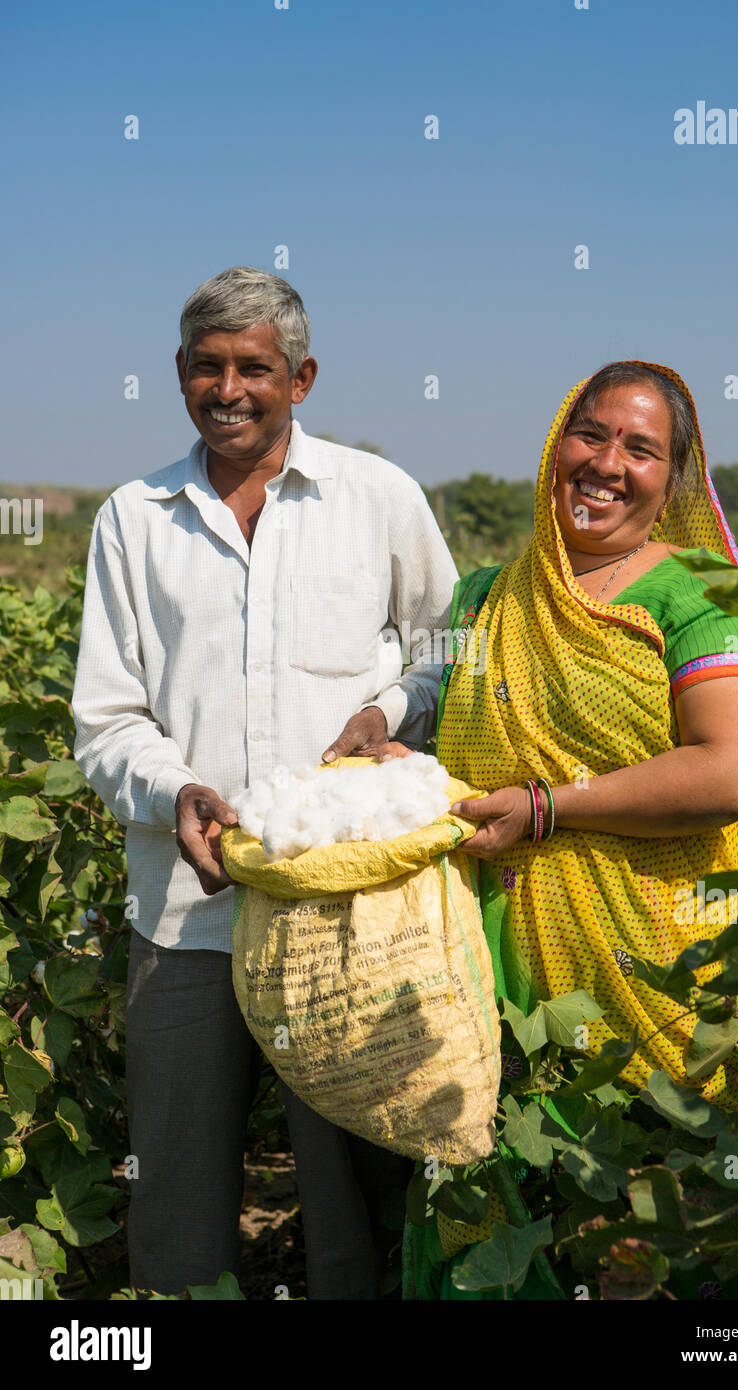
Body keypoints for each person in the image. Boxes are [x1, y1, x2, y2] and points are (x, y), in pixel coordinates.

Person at [71, 265, 458, 1299]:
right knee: (179, 1201)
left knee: (350, 1199)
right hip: (186, 913)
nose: (228, 388)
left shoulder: (375, 497)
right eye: (207, 366)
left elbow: (447, 648)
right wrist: (175, 792)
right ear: (179, 375)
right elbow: (105, 718)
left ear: (302, 377)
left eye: (254, 367)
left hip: (348, 917)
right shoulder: (133, 518)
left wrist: (390, 713)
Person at [402, 360, 738, 1299]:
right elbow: (429, 702)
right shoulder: (485, 597)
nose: (607, 462)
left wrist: (548, 806)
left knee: (639, 1234)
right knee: (495, 1219)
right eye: (591, 434)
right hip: (489, 974)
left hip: (654, 975)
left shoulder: (704, 595)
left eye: (641, 448)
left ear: (676, 480)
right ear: (554, 448)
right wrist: (383, 727)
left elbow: (736, 771)